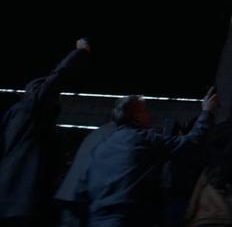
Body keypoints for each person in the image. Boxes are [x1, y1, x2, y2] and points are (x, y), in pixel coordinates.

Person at [85, 87, 218, 226]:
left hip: (97, 218)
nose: (150, 115)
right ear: (136, 116)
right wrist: (207, 111)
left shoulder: (103, 146)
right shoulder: (143, 139)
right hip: (130, 218)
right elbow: (191, 142)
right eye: (145, 111)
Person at [0, 38, 91, 226]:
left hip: (13, 199)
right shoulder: (31, 109)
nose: (58, 99)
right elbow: (58, 75)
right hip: (21, 201)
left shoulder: (16, 118)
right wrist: (80, 52)